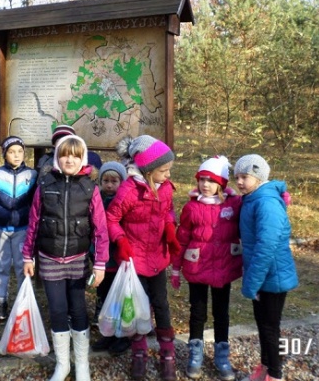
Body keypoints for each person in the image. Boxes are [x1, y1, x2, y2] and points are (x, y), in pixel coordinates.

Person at [22, 134, 109, 381]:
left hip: (78, 260)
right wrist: (27, 256)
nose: (69, 160)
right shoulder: (45, 185)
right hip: (49, 259)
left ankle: (81, 364)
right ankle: (63, 364)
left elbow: (100, 229)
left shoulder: (90, 188)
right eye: (64, 155)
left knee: (79, 310)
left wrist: (100, 263)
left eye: (75, 156)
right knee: (58, 310)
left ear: (82, 158)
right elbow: (34, 223)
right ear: (57, 157)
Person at [106, 134, 181, 381]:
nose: (168, 175)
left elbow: (168, 211)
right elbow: (111, 218)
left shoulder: (165, 188)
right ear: (148, 170)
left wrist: (170, 227)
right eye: (164, 170)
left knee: (161, 304)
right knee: (138, 306)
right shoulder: (129, 191)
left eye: (169, 169)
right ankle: (139, 351)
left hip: (157, 257)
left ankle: (167, 353)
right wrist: (120, 240)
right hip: (135, 259)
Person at [170, 156, 243, 380]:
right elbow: (182, 238)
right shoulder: (191, 207)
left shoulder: (234, 205)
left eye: (210, 181)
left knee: (221, 313)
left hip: (223, 267)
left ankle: (222, 356)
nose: (205, 184)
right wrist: (175, 268)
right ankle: (195, 354)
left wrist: (278, 198)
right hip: (197, 267)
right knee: (197, 312)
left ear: (221, 183)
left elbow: (256, 204)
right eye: (201, 179)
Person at [233, 154, 299, 381]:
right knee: (263, 325)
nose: (239, 182)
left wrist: (252, 282)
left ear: (259, 177)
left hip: (272, 276)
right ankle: (265, 368)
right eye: (237, 177)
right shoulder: (253, 198)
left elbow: (266, 247)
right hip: (262, 275)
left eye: (244, 177)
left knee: (270, 328)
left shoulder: (266, 203)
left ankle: (275, 374)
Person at [0, 135, 37, 321]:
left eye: (20, 151)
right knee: (1, 266)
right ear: (4, 154)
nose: (16, 155)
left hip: (23, 229)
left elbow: (37, 204)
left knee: (22, 266)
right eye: (11, 152)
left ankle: (22, 303)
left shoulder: (32, 175)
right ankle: (0, 301)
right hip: (1, 229)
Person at [90, 160, 132, 356]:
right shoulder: (96, 199)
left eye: (114, 181)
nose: (109, 185)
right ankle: (108, 331)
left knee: (120, 297)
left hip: (118, 257)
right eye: (105, 181)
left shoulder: (124, 201)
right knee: (105, 296)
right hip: (101, 259)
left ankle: (122, 335)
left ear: (122, 182)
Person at [37, 124, 102, 181]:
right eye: (59, 141)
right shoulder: (46, 160)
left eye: (67, 141)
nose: (63, 144)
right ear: (54, 144)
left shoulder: (88, 158)